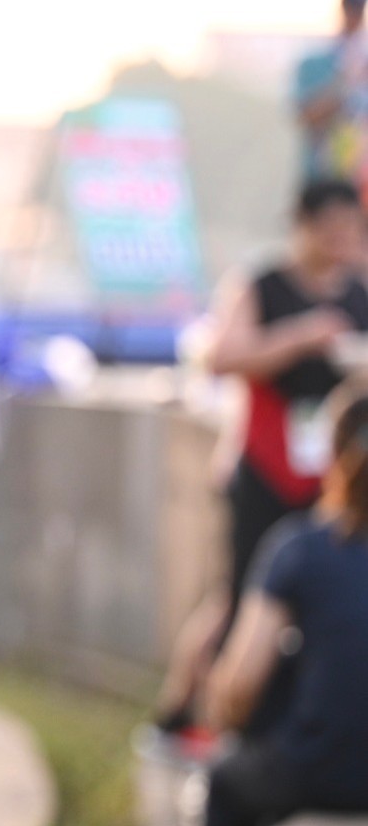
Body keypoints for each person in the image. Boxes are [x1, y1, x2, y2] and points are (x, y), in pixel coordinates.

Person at [157, 178, 368, 731]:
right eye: (330, 230)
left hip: (336, 476)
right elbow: (220, 358)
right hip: (263, 467)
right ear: (302, 226)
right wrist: (301, 337)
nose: (341, 241)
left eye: (350, 230)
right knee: (238, 596)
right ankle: (191, 715)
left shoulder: (358, 292)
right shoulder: (261, 285)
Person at [200, 384, 368, 826]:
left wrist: (223, 714)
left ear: (331, 455)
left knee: (225, 782)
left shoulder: (301, 548)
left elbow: (239, 685)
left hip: (323, 771)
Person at [293, 0, 368, 182]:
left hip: (359, 180)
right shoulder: (316, 62)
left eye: (360, 10)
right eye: (354, 9)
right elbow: (304, 116)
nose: (357, 16)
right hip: (322, 176)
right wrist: (347, 84)